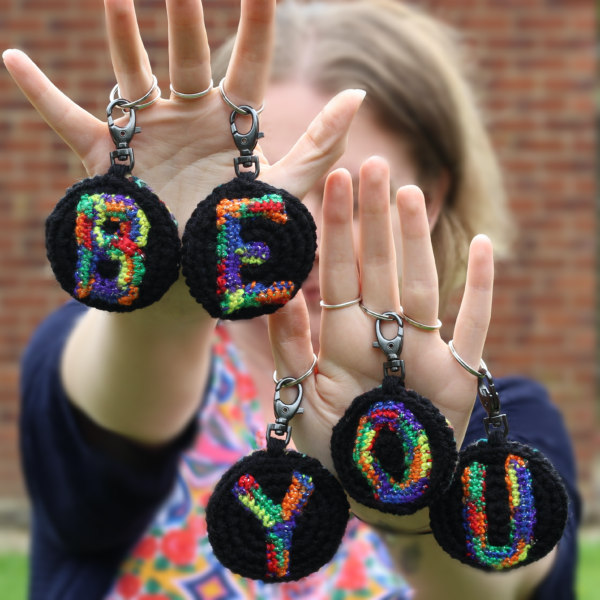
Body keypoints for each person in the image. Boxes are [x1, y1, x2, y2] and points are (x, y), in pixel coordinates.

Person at [4, 0, 579, 598]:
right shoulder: (105, 359)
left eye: (343, 200)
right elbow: (122, 403)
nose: (298, 243)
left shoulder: (494, 420)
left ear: (427, 198)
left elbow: (501, 579)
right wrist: (170, 291)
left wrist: (407, 495)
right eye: (261, 193)